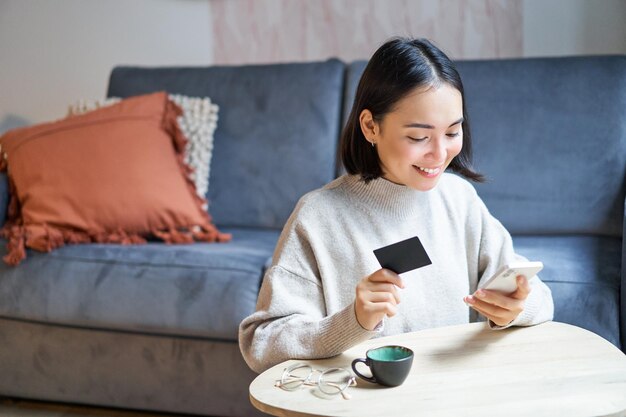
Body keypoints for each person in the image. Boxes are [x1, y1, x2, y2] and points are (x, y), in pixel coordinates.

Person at [239, 37, 554, 374]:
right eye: (418, 137)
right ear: (371, 126)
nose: (439, 154)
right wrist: (353, 321)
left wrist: (517, 307)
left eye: (452, 132)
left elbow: (538, 297)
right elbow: (262, 342)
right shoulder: (318, 216)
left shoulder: (459, 200)